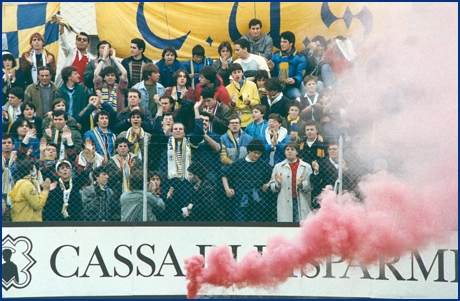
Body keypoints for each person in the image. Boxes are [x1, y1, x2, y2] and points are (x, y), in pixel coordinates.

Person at [221, 138, 272, 222]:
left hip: (257, 199)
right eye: (255, 152)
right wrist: (227, 189)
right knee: (240, 223)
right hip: (240, 198)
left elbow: (274, 174)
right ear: (249, 151)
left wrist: (267, 184)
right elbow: (224, 175)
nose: (257, 155)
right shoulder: (238, 163)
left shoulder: (263, 165)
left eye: (259, 153)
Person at [269, 142, 313, 222]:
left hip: (301, 200)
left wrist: (301, 185)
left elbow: (311, 184)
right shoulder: (278, 167)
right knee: (286, 227)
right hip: (284, 201)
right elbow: (272, 186)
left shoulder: (306, 166)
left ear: (297, 152)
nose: (289, 151)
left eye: (292, 149)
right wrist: (278, 184)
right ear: (284, 152)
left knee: (301, 226)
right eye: (287, 149)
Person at [310, 141, 357, 209]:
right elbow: (314, 182)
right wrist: (316, 171)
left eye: (334, 149)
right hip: (326, 196)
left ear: (340, 150)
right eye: (330, 149)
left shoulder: (347, 162)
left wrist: (345, 169)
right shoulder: (321, 163)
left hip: (343, 195)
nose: (332, 151)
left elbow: (351, 181)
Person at [267, 31, 307, 101]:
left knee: (297, 96)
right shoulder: (276, 54)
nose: (282, 44)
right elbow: (272, 74)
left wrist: (294, 80)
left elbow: (300, 75)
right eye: (281, 42)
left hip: (290, 87)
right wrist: (271, 69)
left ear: (291, 43)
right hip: (277, 86)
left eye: (285, 42)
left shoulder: (300, 57)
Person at [55, 17, 94, 87]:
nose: (81, 41)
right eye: (79, 39)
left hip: (82, 88)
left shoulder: (91, 58)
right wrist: (62, 25)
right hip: (66, 85)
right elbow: (63, 42)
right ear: (75, 42)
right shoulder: (71, 51)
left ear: (88, 44)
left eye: (84, 40)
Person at [106, 137, 142, 203]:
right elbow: (109, 179)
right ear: (116, 149)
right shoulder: (111, 162)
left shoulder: (135, 160)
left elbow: (142, 175)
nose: (123, 148)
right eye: (120, 146)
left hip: (134, 191)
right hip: (116, 193)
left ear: (128, 148)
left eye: (125, 146)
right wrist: (120, 171)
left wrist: (133, 170)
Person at [94, 47, 128, 112]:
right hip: (102, 117)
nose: (110, 77)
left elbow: (124, 73)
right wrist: (103, 59)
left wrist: (114, 58)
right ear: (104, 78)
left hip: (117, 118)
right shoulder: (100, 87)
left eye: (112, 75)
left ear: (115, 78)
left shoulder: (120, 87)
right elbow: (96, 74)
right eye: (107, 75)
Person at [226, 63, 260, 128]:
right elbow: (227, 106)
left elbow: (258, 102)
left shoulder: (252, 85)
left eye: (239, 72)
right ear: (231, 75)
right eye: (234, 72)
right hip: (236, 119)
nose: (237, 74)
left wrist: (250, 102)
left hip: (250, 118)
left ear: (242, 73)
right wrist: (232, 103)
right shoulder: (227, 88)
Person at [2, 133, 18, 220]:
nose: (7, 144)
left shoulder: (18, 159)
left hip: (15, 190)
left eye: (9, 142)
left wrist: (15, 163)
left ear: (13, 145)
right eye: (4, 143)